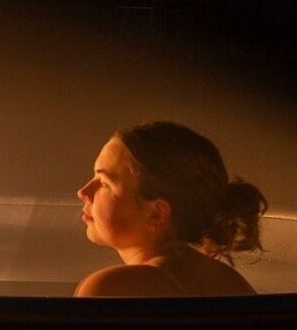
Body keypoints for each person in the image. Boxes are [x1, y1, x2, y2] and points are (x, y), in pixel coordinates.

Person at [75, 121, 267, 297]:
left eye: (104, 183)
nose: (83, 192)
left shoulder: (112, 288)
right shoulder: (229, 281)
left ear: (157, 214)